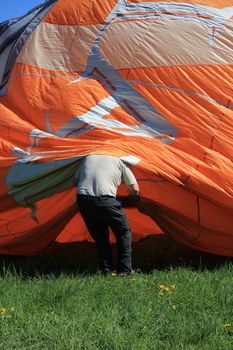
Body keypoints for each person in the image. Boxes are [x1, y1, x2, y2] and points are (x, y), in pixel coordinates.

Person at [74, 154, 139, 276]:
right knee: (124, 232)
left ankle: (107, 272)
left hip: (83, 200)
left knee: (100, 237)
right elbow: (134, 189)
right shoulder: (121, 161)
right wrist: (134, 199)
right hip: (106, 200)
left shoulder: (88, 157)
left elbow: (75, 181)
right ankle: (125, 271)